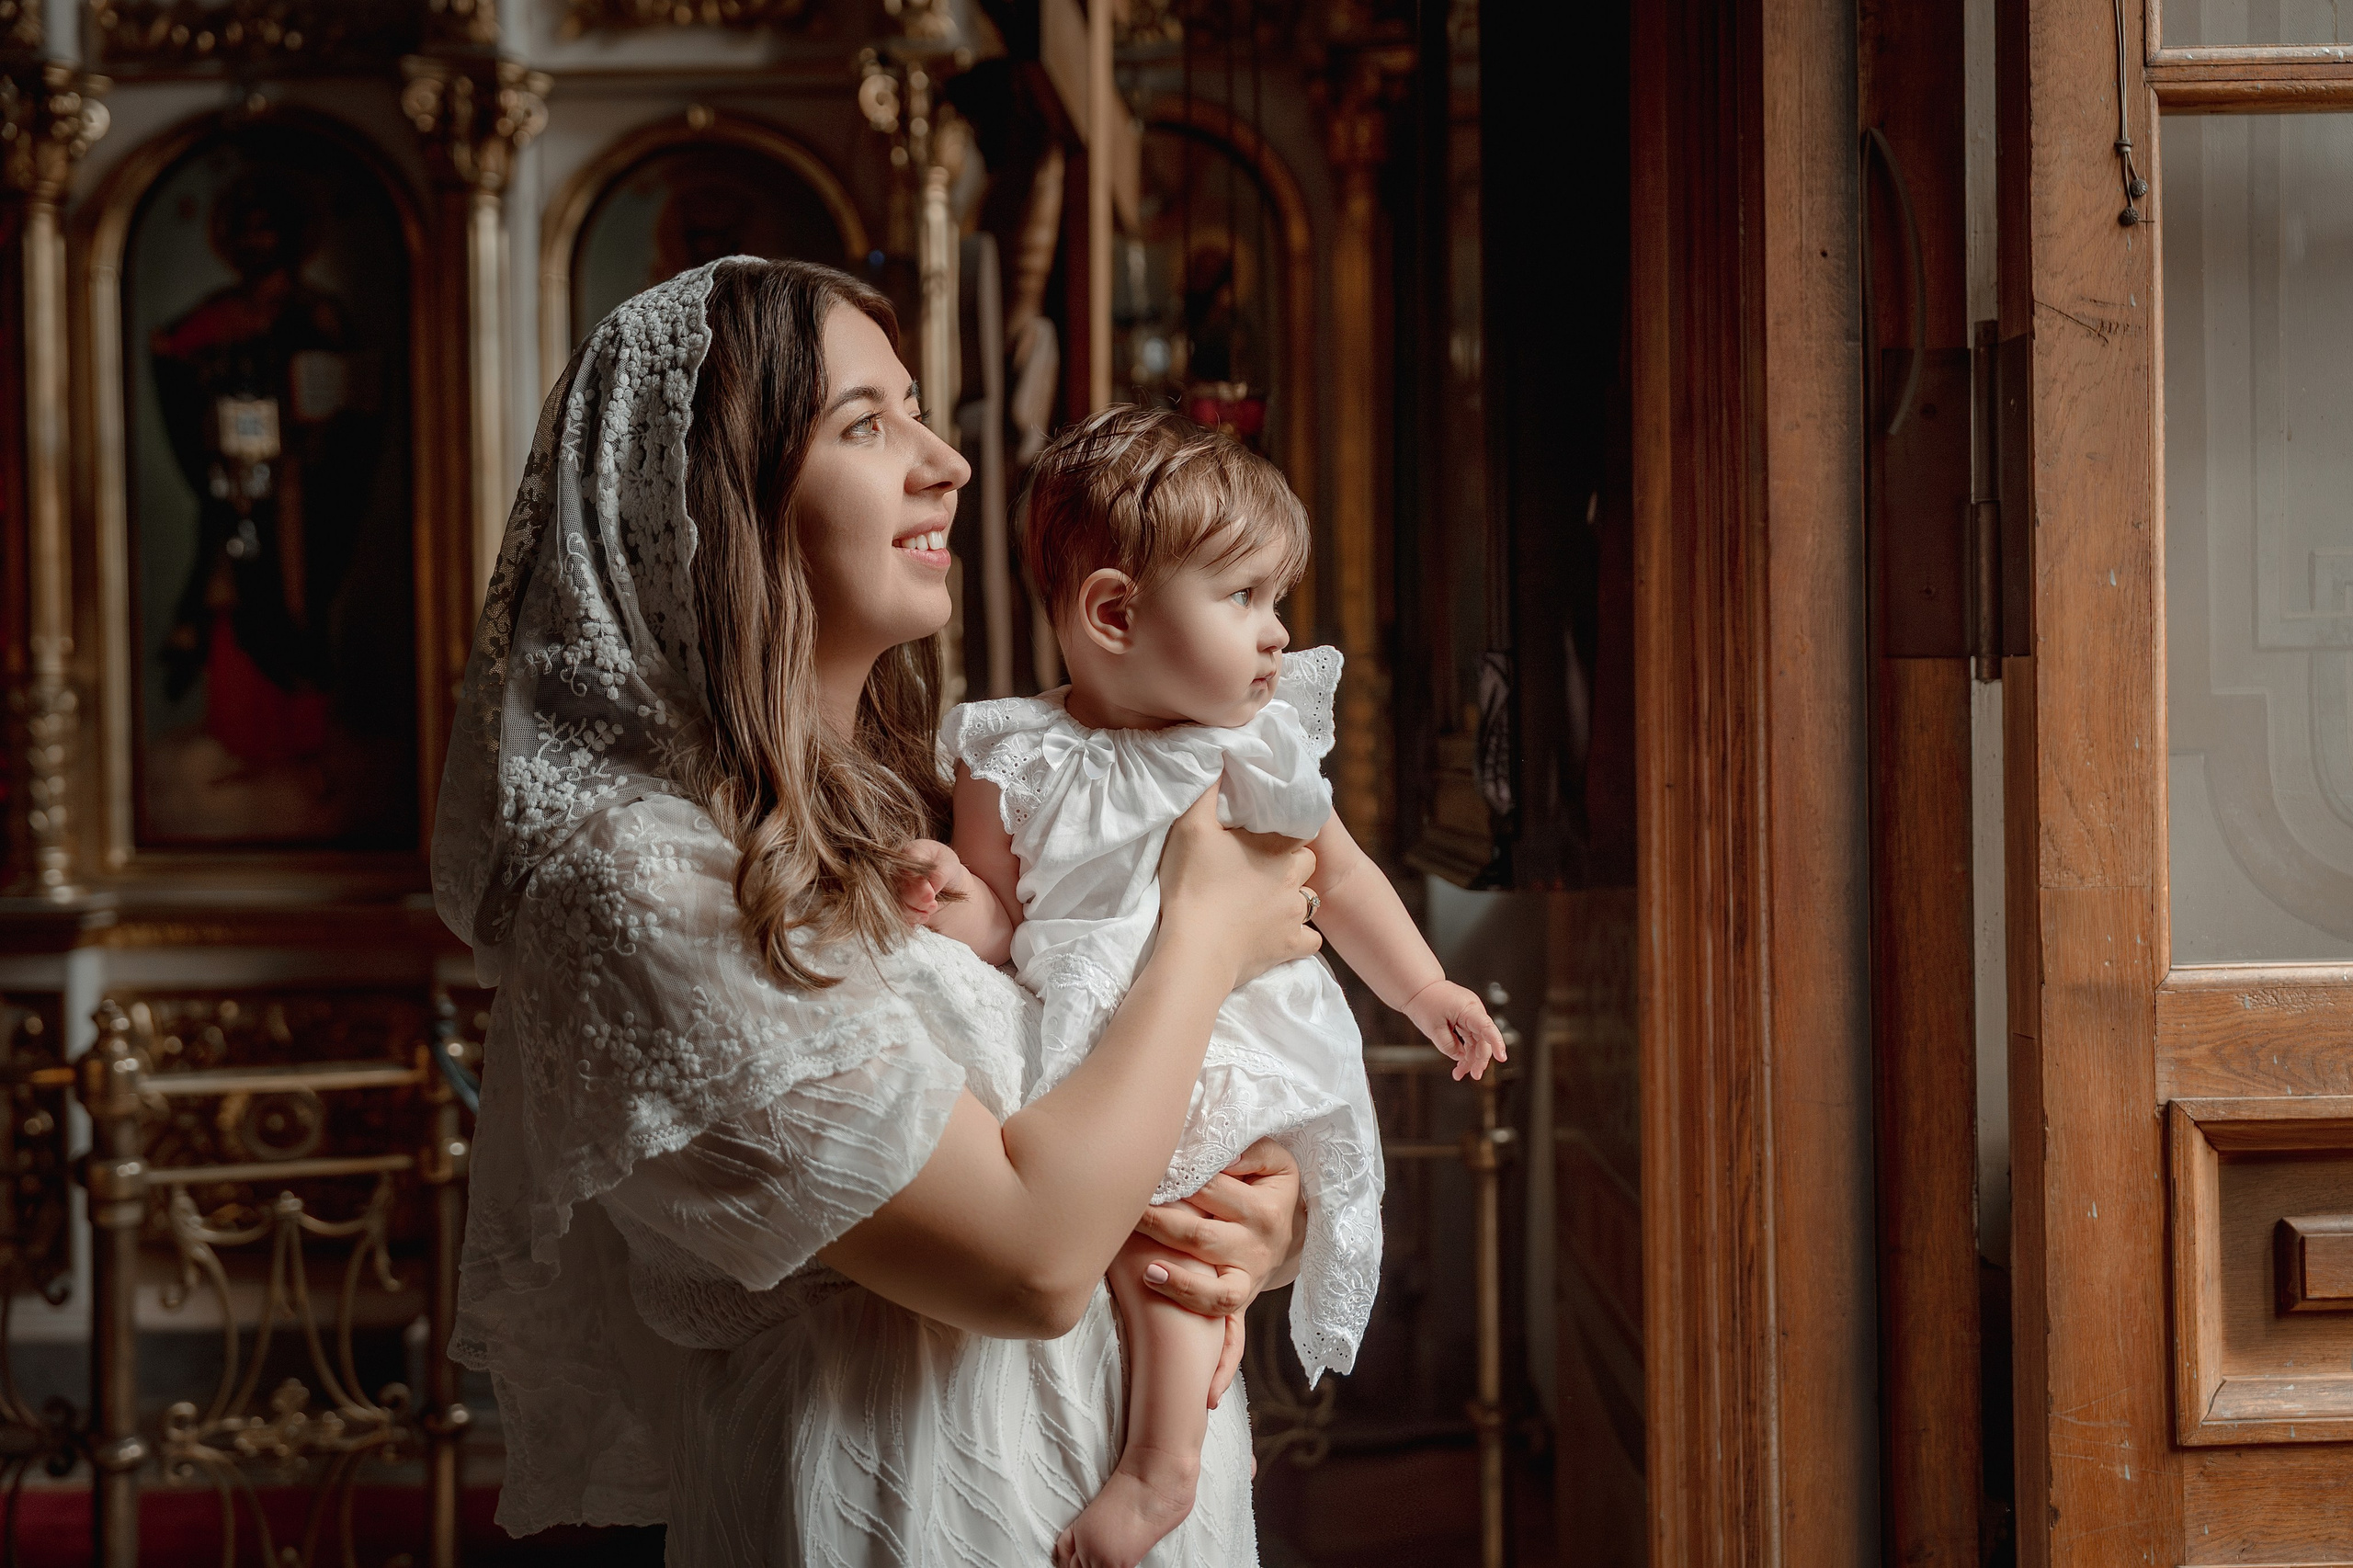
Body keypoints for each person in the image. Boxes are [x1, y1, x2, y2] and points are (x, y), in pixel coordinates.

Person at [433, 257, 1319, 1565]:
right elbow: (1029, 1257)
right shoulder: (638, 881)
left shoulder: (949, 811)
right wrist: (1207, 932)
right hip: (899, 1516)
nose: (946, 461)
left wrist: (1262, 1219)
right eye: (865, 424)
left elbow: (1153, 1109)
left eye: (916, 408)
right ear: (716, 507)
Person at [900, 407, 1508, 1568]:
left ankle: (1162, 1460)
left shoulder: (1251, 746)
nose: (1276, 636)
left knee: (1177, 1233)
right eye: (1242, 599)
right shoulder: (1006, 749)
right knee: (1126, 1217)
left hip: (1229, 1038)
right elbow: (996, 912)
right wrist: (937, 888)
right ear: (1115, 612)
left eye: (1276, 600)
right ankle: (1159, 1451)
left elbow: (1344, 876)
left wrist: (1423, 987)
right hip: (1082, 1044)